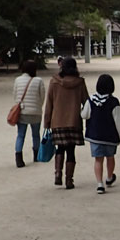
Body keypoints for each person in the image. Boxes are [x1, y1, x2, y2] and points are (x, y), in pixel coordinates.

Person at [43, 56, 90, 189]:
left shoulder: (54, 82)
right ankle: (69, 180)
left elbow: (49, 104)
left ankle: (58, 173)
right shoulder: (80, 82)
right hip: (74, 121)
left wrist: (47, 122)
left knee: (60, 149)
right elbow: (86, 102)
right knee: (71, 151)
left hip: (57, 122)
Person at [82, 74, 120, 194]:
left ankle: (99, 184)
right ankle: (109, 177)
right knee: (110, 157)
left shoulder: (91, 100)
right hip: (110, 137)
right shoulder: (113, 102)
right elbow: (119, 122)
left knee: (98, 160)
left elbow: (84, 115)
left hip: (95, 135)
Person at [12, 60, 45, 167]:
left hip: (22, 111)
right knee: (36, 135)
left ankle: (19, 158)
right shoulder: (38, 80)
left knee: (20, 135)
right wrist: (38, 106)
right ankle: (36, 156)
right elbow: (42, 96)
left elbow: (15, 95)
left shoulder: (18, 80)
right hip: (35, 112)